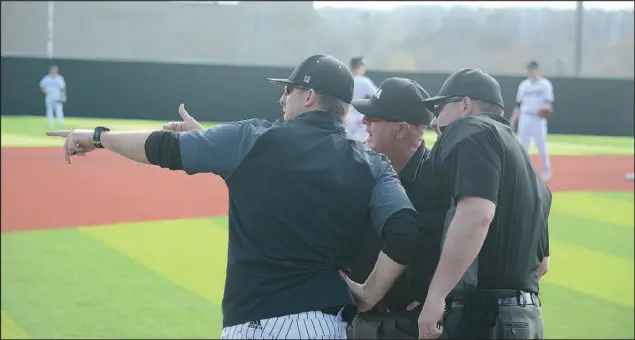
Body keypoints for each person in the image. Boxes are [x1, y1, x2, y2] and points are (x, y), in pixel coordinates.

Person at [45, 54, 421, 339]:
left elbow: (162, 148)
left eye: (288, 90)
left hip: (247, 325)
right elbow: (405, 231)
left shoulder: (249, 139)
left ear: (308, 96)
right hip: (319, 323)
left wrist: (99, 137)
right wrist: (370, 293)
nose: (282, 99)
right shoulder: (372, 165)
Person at [406, 68, 550, 339]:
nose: (436, 119)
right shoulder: (525, 162)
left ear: (465, 105)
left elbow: (477, 214)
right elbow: (542, 265)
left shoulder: (471, 129)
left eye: (440, 108)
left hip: (483, 317)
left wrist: (437, 295)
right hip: (526, 317)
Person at [340, 77, 445, 339]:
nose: (364, 122)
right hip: (353, 321)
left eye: (374, 118)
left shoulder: (440, 180)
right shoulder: (362, 169)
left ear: (400, 129)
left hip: (405, 326)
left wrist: (429, 297)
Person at [510, 61, 555, 181]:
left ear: (537, 70)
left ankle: (546, 172)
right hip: (525, 117)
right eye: (529, 69)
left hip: (538, 118)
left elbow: (548, 102)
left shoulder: (545, 85)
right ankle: (524, 173)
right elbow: (518, 105)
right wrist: (513, 121)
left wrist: (547, 107)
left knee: (541, 146)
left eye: (533, 69)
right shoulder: (523, 85)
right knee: (523, 147)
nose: (530, 71)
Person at [344, 56, 378, 143]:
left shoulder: (346, 81)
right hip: (361, 118)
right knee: (362, 145)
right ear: (359, 67)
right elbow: (377, 96)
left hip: (348, 117)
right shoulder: (364, 81)